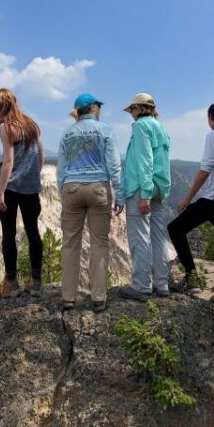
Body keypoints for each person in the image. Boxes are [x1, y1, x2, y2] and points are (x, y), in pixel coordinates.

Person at [57, 93, 124, 312]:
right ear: (94, 108)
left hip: (72, 188)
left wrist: (62, 194)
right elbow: (114, 165)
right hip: (98, 188)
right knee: (99, 243)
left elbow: (60, 169)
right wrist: (120, 194)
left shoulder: (67, 133)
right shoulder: (105, 130)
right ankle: (98, 298)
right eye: (99, 106)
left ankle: (68, 297)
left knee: (70, 244)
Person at [167, 101, 214, 300]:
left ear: (210, 118)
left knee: (175, 228)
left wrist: (187, 199)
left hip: (212, 199)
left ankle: (191, 278)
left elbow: (205, 169)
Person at [118, 93, 172, 302]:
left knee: (139, 236)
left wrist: (144, 195)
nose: (131, 114)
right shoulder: (161, 127)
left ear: (139, 109)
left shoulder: (141, 126)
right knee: (159, 236)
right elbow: (163, 160)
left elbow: (144, 160)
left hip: (142, 187)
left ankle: (141, 286)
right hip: (160, 186)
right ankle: (162, 283)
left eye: (132, 110)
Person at [0, 88, 44, 298]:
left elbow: (8, 161)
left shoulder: (6, 127)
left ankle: (11, 282)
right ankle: (36, 281)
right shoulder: (31, 124)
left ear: (4, 104)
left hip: (11, 187)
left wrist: (0, 193)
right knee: (33, 231)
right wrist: (32, 176)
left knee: (9, 234)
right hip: (31, 188)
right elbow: (40, 156)